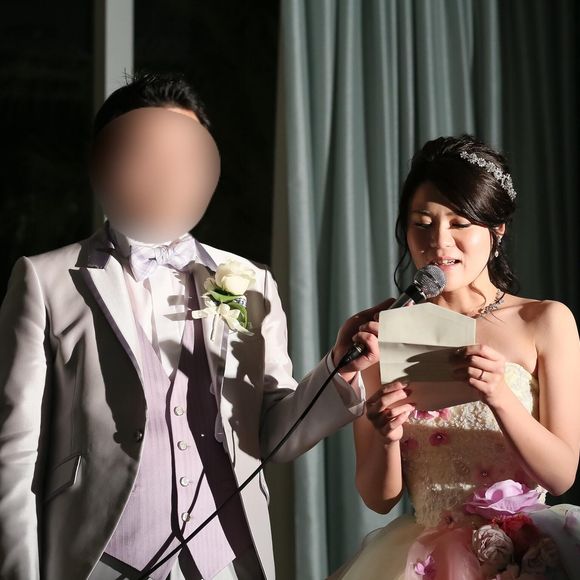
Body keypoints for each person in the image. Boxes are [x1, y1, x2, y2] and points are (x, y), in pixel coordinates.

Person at [0, 73, 384, 580]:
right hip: (99, 557)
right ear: (109, 163)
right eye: (147, 156)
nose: (168, 174)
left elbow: (276, 435)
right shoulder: (46, 279)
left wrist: (338, 369)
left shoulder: (250, 282)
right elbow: (15, 450)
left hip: (225, 557)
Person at [333, 135, 580, 579]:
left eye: (460, 223)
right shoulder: (383, 332)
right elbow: (378, 499)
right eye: (422, 223)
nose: (438, 242)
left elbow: (561, 476)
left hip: (529, 551)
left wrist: (499, 395)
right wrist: (386, 436)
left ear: (496, 230)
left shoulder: (544, 321)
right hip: (428, 558)